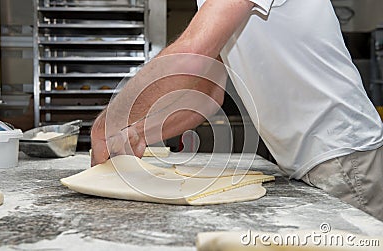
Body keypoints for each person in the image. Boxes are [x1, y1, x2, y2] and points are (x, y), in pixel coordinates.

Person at [90, 0, 383, 221]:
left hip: (344, 157)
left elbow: (190, 56)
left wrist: (111, 121)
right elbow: (206, 94)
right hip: (318, 159)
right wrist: (140, 133)